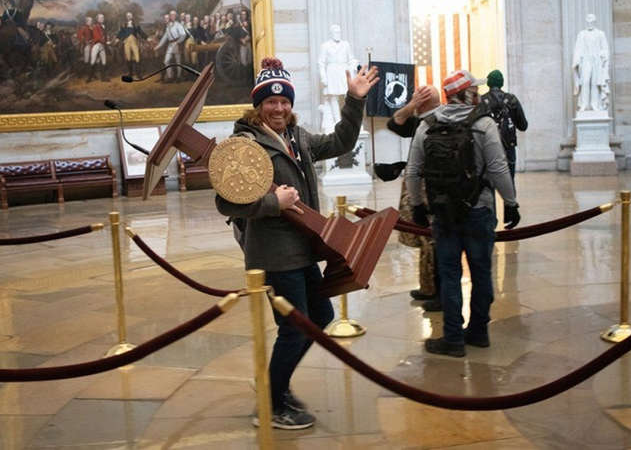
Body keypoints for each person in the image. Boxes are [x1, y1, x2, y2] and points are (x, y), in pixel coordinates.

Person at [215, 57, 378, 429]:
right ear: (258, 106)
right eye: (271, 102)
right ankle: (271, 404)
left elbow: (341, 140)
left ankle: (276, 384)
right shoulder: (244, 144)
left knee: (320, 317)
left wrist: (354, 101)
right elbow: (226, 202)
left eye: (284, 101)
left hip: (303, 249)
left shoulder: (297, 137)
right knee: (294, 327)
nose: (279, 108)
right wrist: (275, 202)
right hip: (273, 254)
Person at [406, 70, 520, 358]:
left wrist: (418, 206)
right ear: (467, 94)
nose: (478, 94)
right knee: (482, 272)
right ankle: (479, 332)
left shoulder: (427, 124)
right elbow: (498, 168)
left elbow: (413, 171)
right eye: (475, 90)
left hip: (443, 212)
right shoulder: (484, 124)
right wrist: (511, 202)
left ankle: (453, 338)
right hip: (479, 209)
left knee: (449, 273)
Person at [387, 85, 440, 305]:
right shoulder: (420, 121)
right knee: (426, 241)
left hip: (433, 190)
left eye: (417, 99)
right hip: (421, 188)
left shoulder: (438, 121)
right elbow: (395, 121)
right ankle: (428, 288)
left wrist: (414, 104)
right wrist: (413, 105)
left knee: (433, 242)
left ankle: (437, 292)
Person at [479, 69, 528, 183]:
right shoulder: (512, 100)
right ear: (501, 82)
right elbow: (523, 126)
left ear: (489, 83)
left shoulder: (481, 101)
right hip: (508, 146)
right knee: (509, 183)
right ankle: (510, 200)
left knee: (488, 184)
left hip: (488, 146)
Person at [318, 24, 358, 133]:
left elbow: (351, 59)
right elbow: (321, 63)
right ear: (331, 33)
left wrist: (353, 65)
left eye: (339, 32)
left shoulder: (346, 45)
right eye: (335, 32)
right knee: (333, 97)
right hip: (331, 72)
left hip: (344, 71)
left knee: (347, 95)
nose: (337, 34)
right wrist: (323, 77)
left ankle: (347, 119)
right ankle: (337, 121)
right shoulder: (325, 46)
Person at [572, 13, 610, 113]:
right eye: (588, 21)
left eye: (592, 21)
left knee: (595, 83)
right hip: (585, 60)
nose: (590, 23)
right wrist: (576, 61)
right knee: (585, 82)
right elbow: (577, 49)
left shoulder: (600, 34)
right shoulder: (582, 34)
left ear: (595, 22)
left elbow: (605, 48)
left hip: (597, 60)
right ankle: (584, 104)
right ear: (586, 22)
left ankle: (595, 105)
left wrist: (603, 55)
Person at [155, 10, 188, 83]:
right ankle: (170, 77)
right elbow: (164, 38)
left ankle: (179, 77)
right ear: (170, 16)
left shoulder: (178, 25)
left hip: (177, 45)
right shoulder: (168, 27)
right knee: (166, 61)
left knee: (178, 62)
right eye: (171, 15)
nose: (172, 16)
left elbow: (183, 35)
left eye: (173, 15)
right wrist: (158, 47)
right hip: (170, 45)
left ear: (175, 16)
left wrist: (178, 42)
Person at [117, 11, 148, 79]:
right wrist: (117, 38)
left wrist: (147, 38)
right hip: (127, 43)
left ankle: (138, 74)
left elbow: (141, 32)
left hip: (134, 42)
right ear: (126, 17)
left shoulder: (135, 25)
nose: (128, 17)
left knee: (137, 58)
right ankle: (130, 74)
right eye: (127, 16)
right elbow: (120, 33)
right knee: (128, 58)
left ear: (132, 17)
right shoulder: (124, 25)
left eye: (130, 16)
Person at [87, 13, 109, 82]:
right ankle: (90, 78)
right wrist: (105, 42)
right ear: (97, 19)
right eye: (101, 18)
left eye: (103, 18)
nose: (102, 19)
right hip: (96, 45)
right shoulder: (95, 26)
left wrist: (107, 40)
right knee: (93, 61)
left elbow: (104, 36)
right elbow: (97, 37)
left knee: (104, 61)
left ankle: (103, 78)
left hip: (102, 45)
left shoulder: (104, 26)